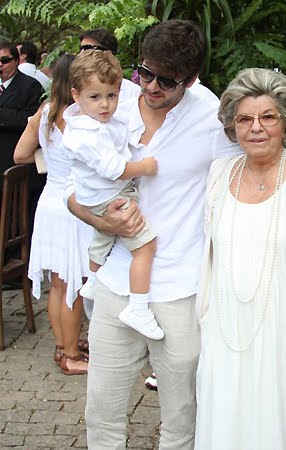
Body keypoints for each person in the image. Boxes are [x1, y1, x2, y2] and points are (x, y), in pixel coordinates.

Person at [67, 19, 239, 449]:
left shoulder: (211, 116)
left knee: (182, 415)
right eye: (145, 72)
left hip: (180, 287)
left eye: (166, 80)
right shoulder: (112, 100)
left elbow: (255, 172)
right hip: (115, 282)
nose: (151, 86)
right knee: (101, 412)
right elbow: (72, 190)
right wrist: (100, 221)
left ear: (192, 78)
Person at [195, 67, 286, 449]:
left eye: (268, 117)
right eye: (244, 119)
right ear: (232, 127)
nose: (256, 128)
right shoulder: (218, 172)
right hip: (225, 332)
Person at [63, 49, 162, 340]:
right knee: (145, 247)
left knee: (102, 238)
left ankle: (92, 279)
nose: (105, 105)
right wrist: (144, 166)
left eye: (112, 96)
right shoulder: (89, 134)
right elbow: (114, 168)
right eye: (95, 97)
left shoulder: (95, 123)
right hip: (109, 194)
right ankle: (139, 307)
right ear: (76, 95)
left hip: (96, 196)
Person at [14, 53, 93, 375]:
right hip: (73, 206)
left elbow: (20, 154)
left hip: (49, 201)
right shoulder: (80, 117)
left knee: (59, 285)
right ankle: (72, 354)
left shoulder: (44, 113)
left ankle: (63, 347)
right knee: (73, 283)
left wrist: (50, 160)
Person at [0, 40, 44, 237]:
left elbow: (31, 120)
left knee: (14, 218)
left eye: (4, 60)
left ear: (17, 61)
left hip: (14, 162)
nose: (0, 65)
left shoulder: (30, 86)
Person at [79, 28, 141, 99]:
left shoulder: (133, 94)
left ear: (109, 53)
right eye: (81, 49)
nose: (81, 54)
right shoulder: (77, 88)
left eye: (87, 48)